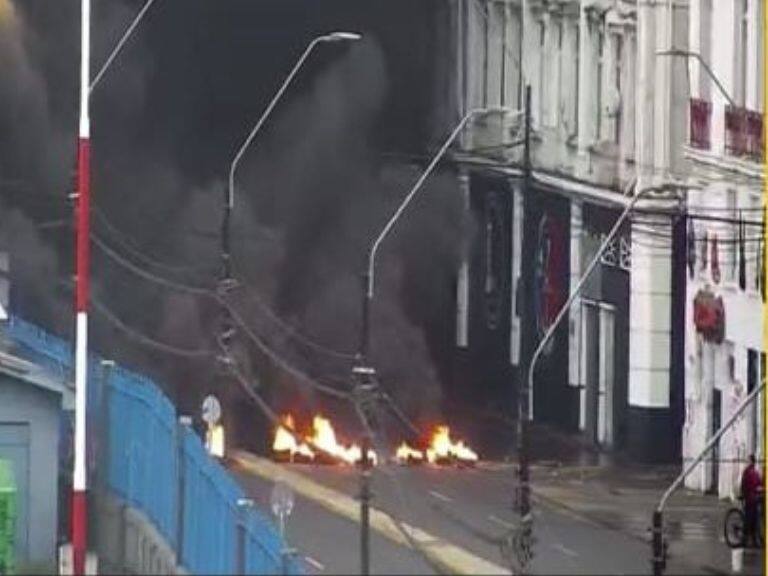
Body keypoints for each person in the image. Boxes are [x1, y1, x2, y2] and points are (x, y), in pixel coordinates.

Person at [740, 454, 763, 547]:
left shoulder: (754, 472)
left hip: (753, 498)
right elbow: (745, 484)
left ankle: (753, 540)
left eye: (749, 461)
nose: (748, 463)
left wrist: (760, 488)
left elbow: (758, 483)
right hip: (750, 498)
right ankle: (746, 539)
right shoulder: (749, 472)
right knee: (750, 519)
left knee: (754, 519)